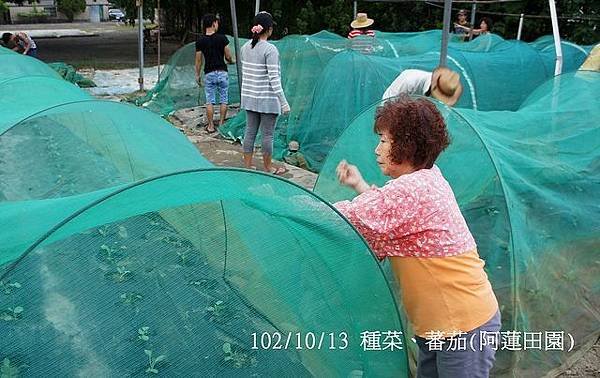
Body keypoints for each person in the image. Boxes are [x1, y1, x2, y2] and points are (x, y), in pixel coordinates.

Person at [334, 96, 500, 378]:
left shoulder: (414, 189)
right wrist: (360, 185)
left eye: (384, 141)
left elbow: (340, 217)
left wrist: (280, 202)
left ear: (407, 144)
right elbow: (388, 215)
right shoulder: (427, 178)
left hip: (462, 328)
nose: (377, 150)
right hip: (439, 325)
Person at [240, 11, 290, 175]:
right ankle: (268, 168)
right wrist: (283, 102)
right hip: (267, 100)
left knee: (250, 131)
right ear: (268, 29)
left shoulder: (244, 48)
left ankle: (247, 166)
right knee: (267, 135)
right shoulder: (270, 49)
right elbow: (274, 79)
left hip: (249, 98)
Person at [195, 14, 235, 133]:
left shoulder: (200, 41)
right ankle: (222, 124)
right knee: (223, 99)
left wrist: (197, 75)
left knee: (210, 101)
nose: (217, 25)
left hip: (209, 73)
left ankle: (211, 126)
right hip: (222, 72)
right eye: (217, 23)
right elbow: (228, 56)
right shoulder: (222, 38)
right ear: (213, 24)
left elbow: (198, 60)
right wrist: (231, 61)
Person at [381, 67, 463, 106]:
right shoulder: (408, 81)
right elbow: (387, 103)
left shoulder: (447, 88)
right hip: (396, 110)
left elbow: (442, 120)